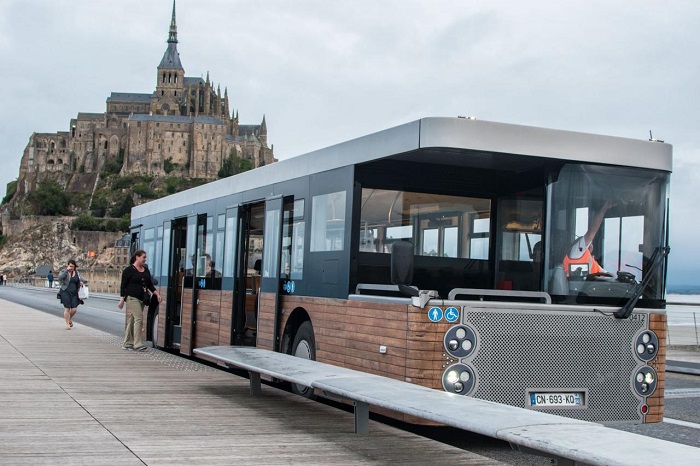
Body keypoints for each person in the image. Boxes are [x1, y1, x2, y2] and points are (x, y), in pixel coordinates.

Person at [118, 249, 161, 351]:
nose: (145, 260)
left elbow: (150, 284)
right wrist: (122, 299)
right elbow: (123, 286)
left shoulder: (146, 270)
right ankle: (137, 343)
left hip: (142, 298)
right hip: (132, 298)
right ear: (137, 257)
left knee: (133, 319)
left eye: (145, 257)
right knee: (139, 318)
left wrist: (157, 294)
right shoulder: (128, 270)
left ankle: (127, 343)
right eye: (143, 257)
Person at [563, 201, 614, 278]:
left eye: (591, 243)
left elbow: (605, 274)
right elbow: (591, 232)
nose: (590, 244)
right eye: (589, 242)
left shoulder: (589, 257)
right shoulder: (576, 252)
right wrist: (604, 209)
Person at [58, 260, 88, 330]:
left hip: (74, 293)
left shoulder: (77, 273)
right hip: (65, 292)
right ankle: (67, 324)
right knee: (67, 308)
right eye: (70, 266)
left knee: (74, 309)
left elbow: (85, 280)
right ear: (68, 265)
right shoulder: (64, 271)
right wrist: (66, 270)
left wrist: (81, 282)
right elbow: (60, 277)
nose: (71, 268)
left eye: (73, 267)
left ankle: (69, 319)